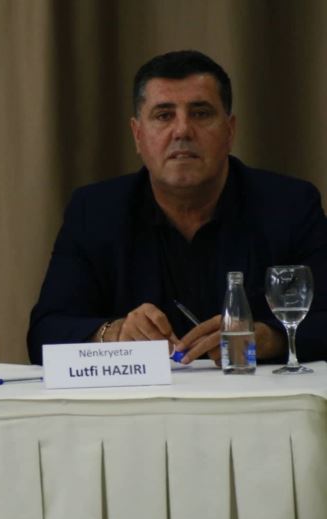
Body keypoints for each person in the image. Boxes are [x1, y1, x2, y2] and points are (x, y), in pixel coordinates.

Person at [28, 50, 327, 365]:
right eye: (163, 115)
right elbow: (44, 333)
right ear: (138, 135)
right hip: (139, 397)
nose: (182, 130)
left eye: (201, 113)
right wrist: (113, 333)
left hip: (253, 392)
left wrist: (269, 338)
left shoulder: (290, 206)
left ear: (230, 131)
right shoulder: (94, 212)